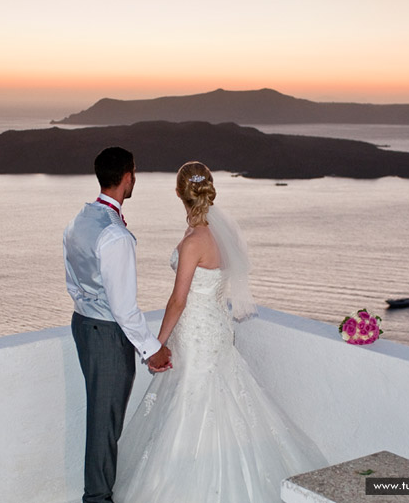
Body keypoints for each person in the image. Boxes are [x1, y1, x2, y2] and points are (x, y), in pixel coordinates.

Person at [114, 161, 327, 502]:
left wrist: (157, 343)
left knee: (191, 402)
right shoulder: (218, 235)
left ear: (179, 193)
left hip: (195, 334)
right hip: (213, 329)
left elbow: (177, 301)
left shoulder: (193, 242)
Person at [63, 146, 172, 503]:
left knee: (101, 416)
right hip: (107, 334)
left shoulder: (80, 219)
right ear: (128, 176)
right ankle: (97, 498)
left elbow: (73, 282)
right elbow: (124, 309)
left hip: (82, 323)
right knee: (105, 422)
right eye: (134, 173)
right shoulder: (115, 236)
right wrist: (152, 349)